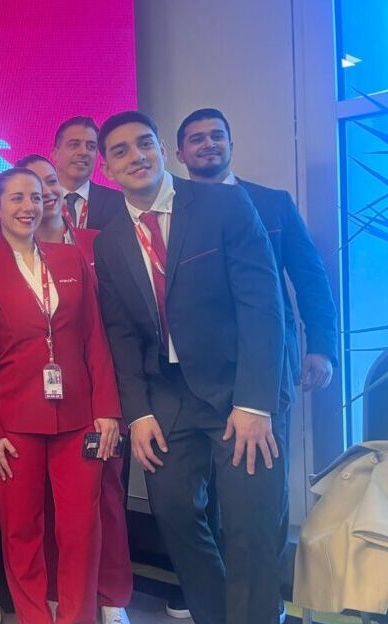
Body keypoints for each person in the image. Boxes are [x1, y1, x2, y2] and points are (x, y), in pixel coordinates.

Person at [92, 111, 287, 624]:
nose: (136, 156)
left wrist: (255, 403)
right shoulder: (109, 241)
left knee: (249, 526)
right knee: (174, 513)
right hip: (167, 398)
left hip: (237, 391)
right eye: (120, 151)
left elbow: (262, 305)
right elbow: (121, 335)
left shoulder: (222, 204)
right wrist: (138, 414)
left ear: (162, 150)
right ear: (106, 168)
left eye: (144, 143)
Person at [174, 107, 338, 621]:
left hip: (265, 375)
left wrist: (321, 346)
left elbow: (310, 277)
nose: (208, 144)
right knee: (200, 501)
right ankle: (224, 602)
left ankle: (263, 607)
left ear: (230, 143)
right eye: (196, 139)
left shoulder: (271, 203)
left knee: (261, 501)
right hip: (195, 382)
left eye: (216, 136)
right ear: (180, 153)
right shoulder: (173, 212)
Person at [0, 167, 121, 624]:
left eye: (34, 197)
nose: (28, 207)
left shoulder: (69, 260)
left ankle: (77, 617)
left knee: (81, 529)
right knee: (20, 530)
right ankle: (34, 616)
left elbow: (94, 340)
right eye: (16, 198)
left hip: (79, 418)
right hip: (13, 423)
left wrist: (107, 410)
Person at [16, 154, 132, 623]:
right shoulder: (10, 256)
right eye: (32, 186)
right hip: (39, 402)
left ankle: (112, 595)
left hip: (103, 389)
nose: (44, 192)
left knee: (106, 498)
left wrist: (111, 401)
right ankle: (57, 594)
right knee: (46, 505)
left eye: (49, 181)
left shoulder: (95, 243)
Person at [50, 116, 126, 231]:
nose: (83, 152)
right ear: (55, 154)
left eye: (91, 146)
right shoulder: (39, 200)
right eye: (74, 145)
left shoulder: (118, 203)